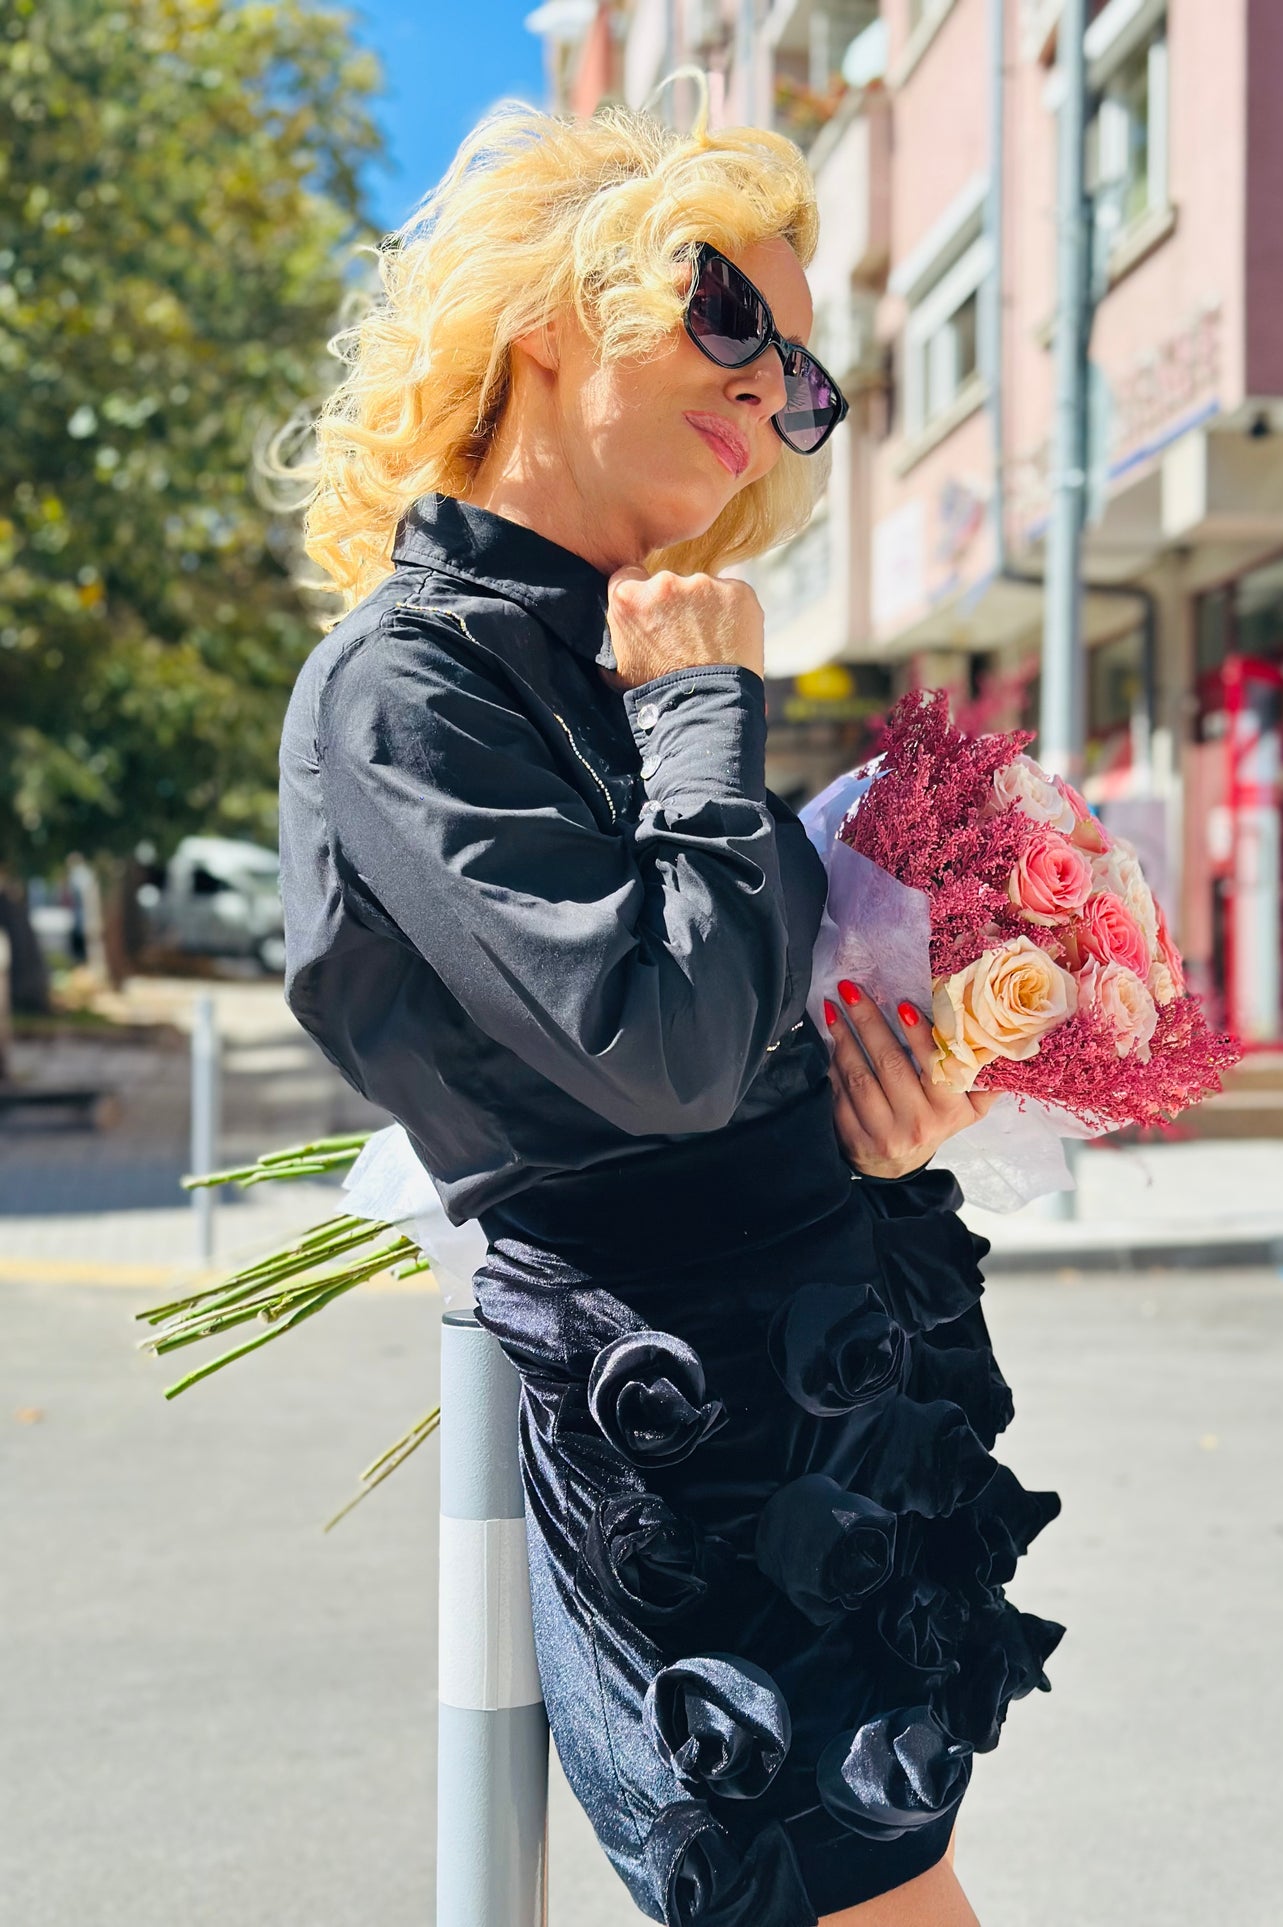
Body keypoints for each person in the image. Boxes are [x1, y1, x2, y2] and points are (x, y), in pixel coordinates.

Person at [278, 86, 1062, 1927]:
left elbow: (743, 1032)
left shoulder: (635, 655)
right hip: (696, 1433)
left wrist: (890, 1097)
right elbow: (665, 1043)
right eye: (729, 314)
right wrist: (706, 719)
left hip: (824, 1385)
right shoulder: (406, 684)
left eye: (796, 371)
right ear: (550, 311)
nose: (766, 383)